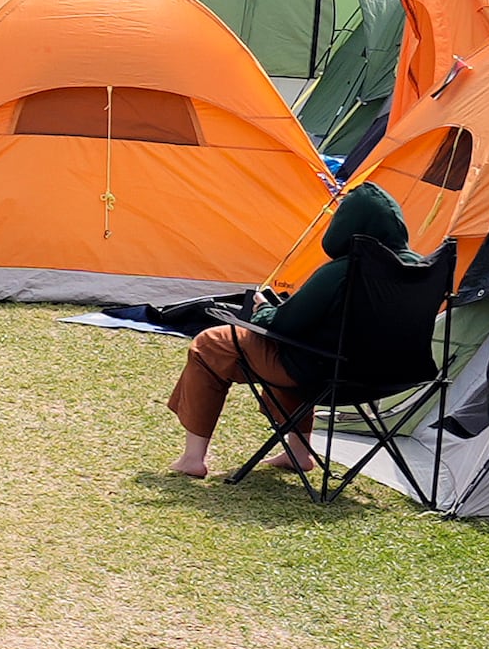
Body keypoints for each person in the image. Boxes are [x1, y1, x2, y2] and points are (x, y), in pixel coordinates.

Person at [169, 182, 416, 479]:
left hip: (325, 373)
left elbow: (286, 323)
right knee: (298, 348)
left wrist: (264, 309)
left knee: (210, 343)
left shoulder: (344, 270)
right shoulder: (418, 269)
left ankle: (193, 458)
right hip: (388, 377)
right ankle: (298, 453)